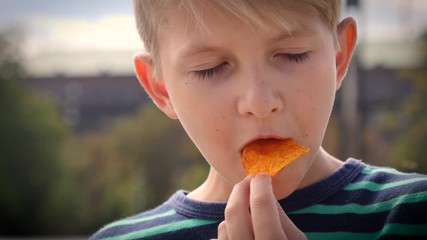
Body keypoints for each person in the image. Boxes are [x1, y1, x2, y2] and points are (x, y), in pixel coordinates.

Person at [91, 0, 427, 239]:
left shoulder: (411, 216)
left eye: (293, 54)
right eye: (210, 68)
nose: (260, 102)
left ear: (338, 57)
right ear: (161, 88)